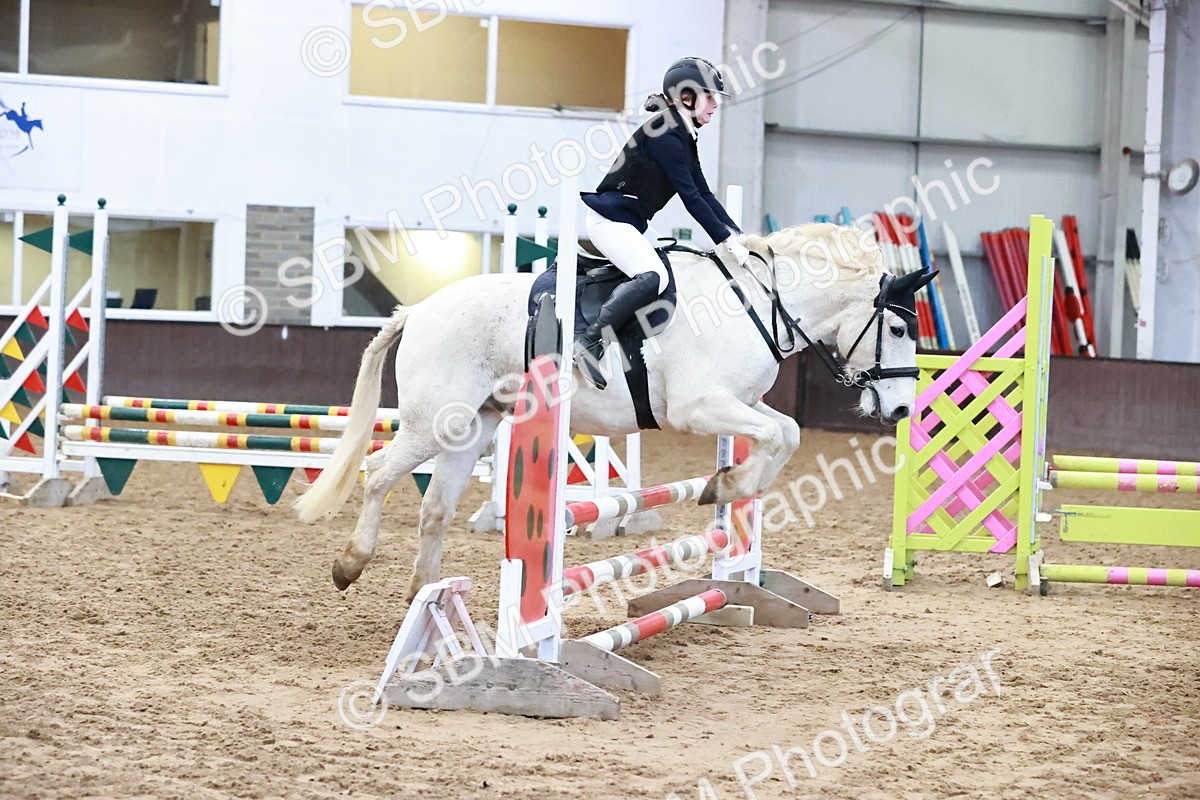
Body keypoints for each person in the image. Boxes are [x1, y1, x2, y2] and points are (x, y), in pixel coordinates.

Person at [575, 56, 750, 389]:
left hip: (630, 222)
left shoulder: (681, 132)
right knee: (652, 276)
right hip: (609, 221)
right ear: (686, 97)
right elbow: (690, 198)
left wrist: (738, 236)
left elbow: (704, 193)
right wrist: (725, 241)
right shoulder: (666, 134)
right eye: (709, 96)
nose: (715, 104)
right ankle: (590, 341)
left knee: (673, 269)